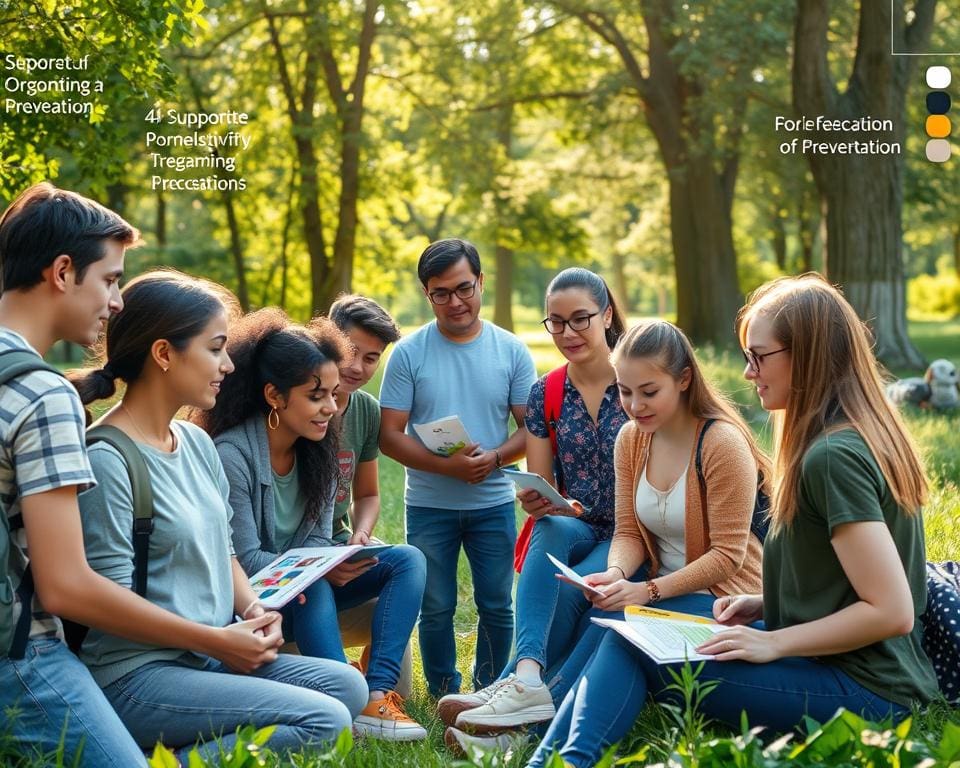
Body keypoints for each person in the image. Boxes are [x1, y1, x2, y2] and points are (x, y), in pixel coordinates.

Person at [526, 275, 939, 768]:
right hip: (831, 659)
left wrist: (772, 641)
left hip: (868, 690)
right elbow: (845, 580)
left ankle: (554, 759)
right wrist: (766, 603)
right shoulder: (840, 438)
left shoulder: (833, 456)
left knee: (634, 644)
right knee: (633, 626)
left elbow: (891, 611)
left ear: (805, 355)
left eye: (759, 356)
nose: (748, 373)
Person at [71, 272, 368, 762]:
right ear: (164, 354)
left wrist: (253, 610)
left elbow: (224, 550)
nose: (229, 366)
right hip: (137, 674)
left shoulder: (195, 443)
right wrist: (216, 640)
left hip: (210, 654)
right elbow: (107, 603)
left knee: (346, 688)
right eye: (215, 349)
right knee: (326, 720)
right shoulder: (108, 459)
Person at [196, 307, 428, 741]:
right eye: (316, 395)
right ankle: (348, 696)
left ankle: (377, 693)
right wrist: (318, 567)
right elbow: (244, 559)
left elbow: (318, 538)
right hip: (249, 598)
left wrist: (330, 558)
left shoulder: (319, 444)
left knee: (407, 560)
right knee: (314, 584)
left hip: (302, 580)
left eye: (333, 394)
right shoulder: (233, 454)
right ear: (274, 396)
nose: (330, 407)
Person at [442, 268, 629, 740]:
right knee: (548, 531)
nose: (567, 333)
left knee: (571, 593)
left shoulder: (637, 385)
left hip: (632, 533)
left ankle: (511, 704)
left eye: (580, 319)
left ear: (606, 315)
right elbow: (545, 486)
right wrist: (539, 498)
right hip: (576, 523)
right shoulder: (546, 391)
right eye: (556, 322)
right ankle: (525, 678)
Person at [0, 183, 150, 766]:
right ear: (63, 271)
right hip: (19, 655)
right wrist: (214, 639)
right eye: (110, 280)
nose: (116, 302)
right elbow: (65, 586)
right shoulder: (43, 395)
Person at [379, 238, 537, 698]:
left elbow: (532, 430)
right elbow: (389, 435)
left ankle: (488, 688)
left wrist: (497, 457)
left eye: (464, 288)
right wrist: (446, 469)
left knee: (496, 604)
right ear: (427, 295)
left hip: (492, 502)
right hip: (429, 504)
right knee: (435, 605)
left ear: (481, 282)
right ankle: (444, 689)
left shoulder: (511, 350)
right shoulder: (408, 354)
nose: (455, 302)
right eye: (440, 293)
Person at [325, 294, 413, 697]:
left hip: (342, 544)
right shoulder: (296, 404)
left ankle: (379, 689)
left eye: (371, 357)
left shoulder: (365, 410)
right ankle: (347, 680)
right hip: (301, 556)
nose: (358, 367)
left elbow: (369, 494)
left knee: (401, 562)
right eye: (350, 352)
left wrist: (361, 533)